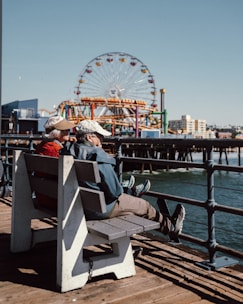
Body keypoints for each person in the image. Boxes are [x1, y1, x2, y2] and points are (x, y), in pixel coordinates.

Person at [60, 120, 185, 241]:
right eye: (99, 136)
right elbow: (115, 192)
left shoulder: (67, 151)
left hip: (78, 205)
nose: (102, 139)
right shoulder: (97, 155)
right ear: (89, 137)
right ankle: (171, 228)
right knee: (144, 206)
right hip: (99, 210)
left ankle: (133, 195)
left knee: (131, 207)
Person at [34, 115, 76, 210]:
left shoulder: (42, 146)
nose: (68, 131)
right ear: (56, 133)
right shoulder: (55, 150)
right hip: (55, 199)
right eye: (65, 130)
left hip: (43, 195)